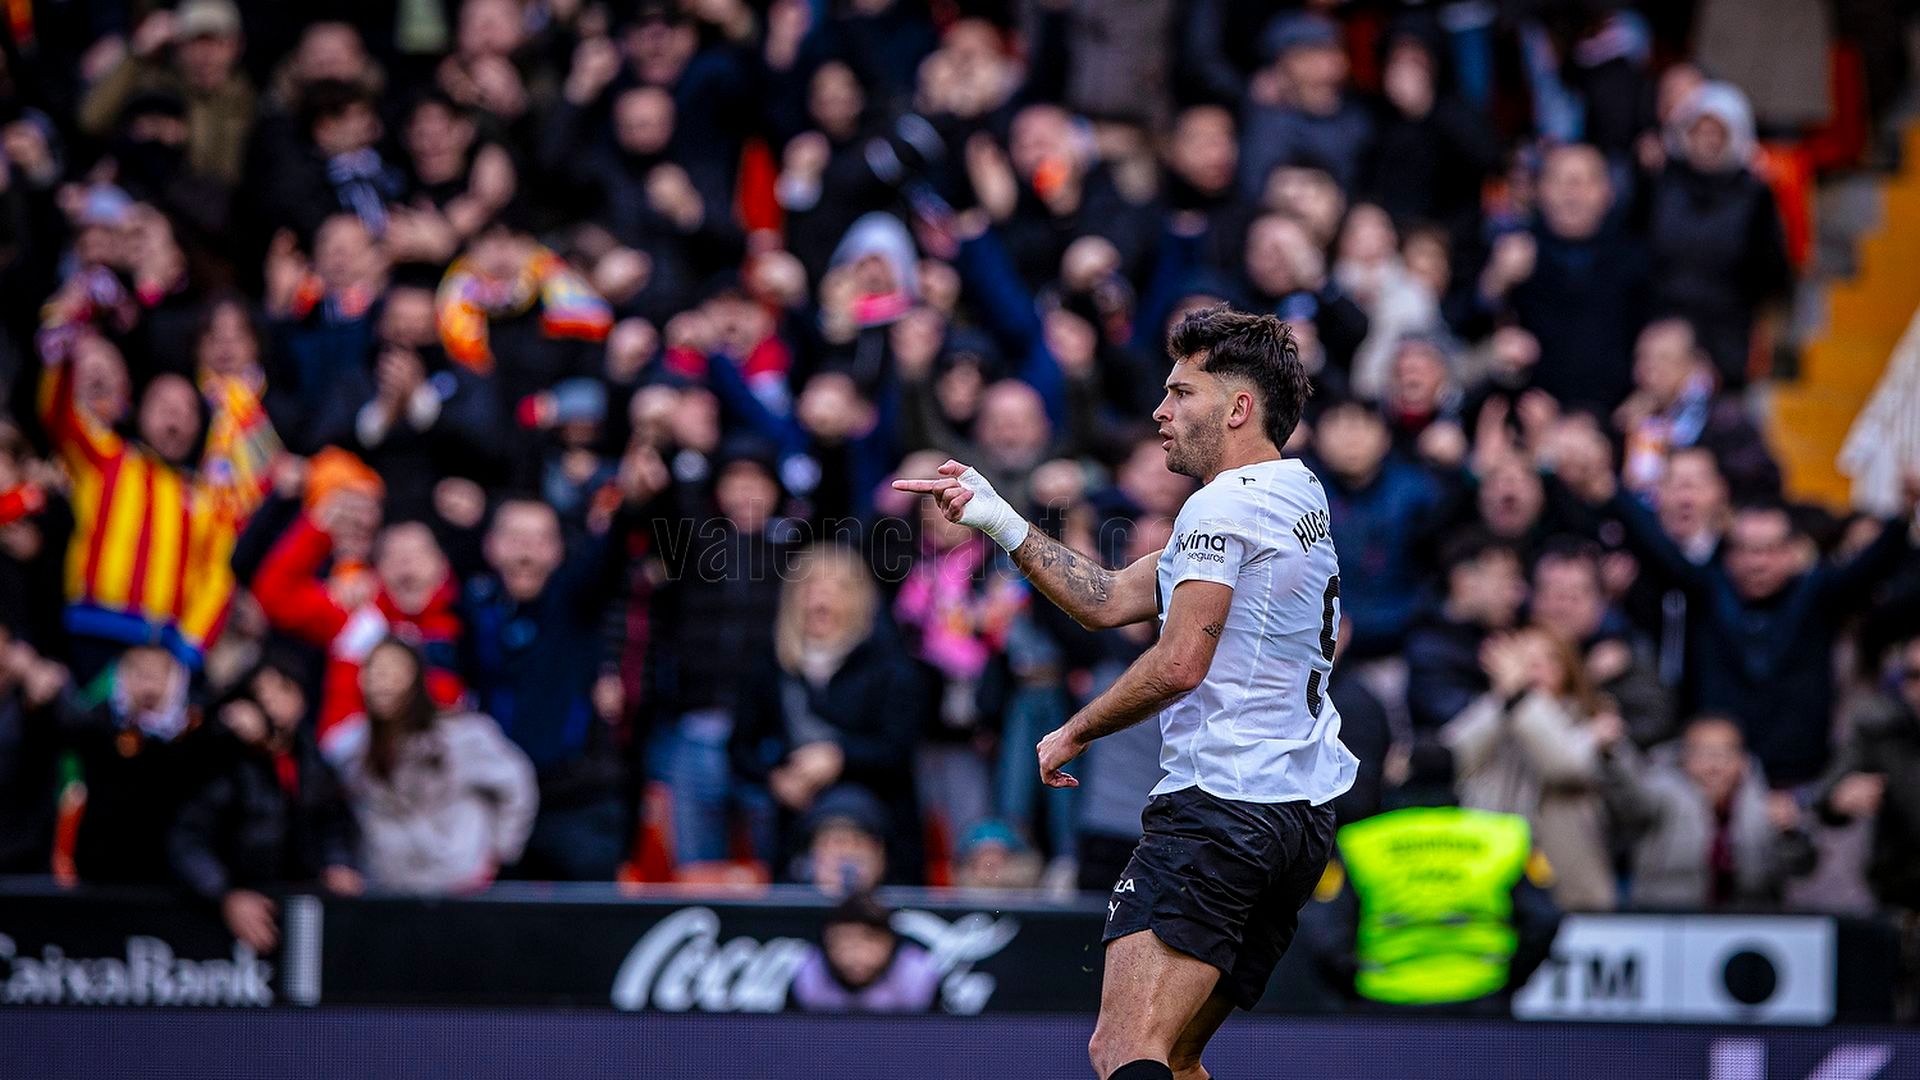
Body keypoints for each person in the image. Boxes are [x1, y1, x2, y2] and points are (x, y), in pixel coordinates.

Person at [896, 306, 1355, 1080]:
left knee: (1123, 1050)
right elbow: (1107, 599)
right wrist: (995, 515)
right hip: (1297, 817)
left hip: (1221, 808)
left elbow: (1178, 665)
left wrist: (1075, 731)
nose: (1159, 411)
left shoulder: (1221, 505)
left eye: (1181, 392)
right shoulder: (1296, 490)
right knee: (1175, 1058)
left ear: (1239, 408)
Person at [169, 654, 363, 951]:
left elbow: (334, 822)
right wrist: (225, 893)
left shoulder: (313, 760)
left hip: (299, 909)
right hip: (225, 918)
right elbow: (187, 838)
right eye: (261, 692)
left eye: (283, 690)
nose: (271, 702)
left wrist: (338, 863)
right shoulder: (222, 757)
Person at [330, 637, 537, 894]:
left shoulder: (461, 736)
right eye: (374, 670)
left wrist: (500, 851)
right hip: (388, 890)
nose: (383, 680)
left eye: (394, 669)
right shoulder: (350, 747)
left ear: (417, 677)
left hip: (460, 886)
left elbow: (517, 783)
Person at [1440, 627, 1621, 912]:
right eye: (1523, 659)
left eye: (1547, 659)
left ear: (1568, 670)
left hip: (1569, 890)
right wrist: (1503, 700)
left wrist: (1522, 700)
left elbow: (1567, 766)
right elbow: (1451, 756)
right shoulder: (1493, 711)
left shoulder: (1592, 717)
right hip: (1488, 885)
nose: (1533, 668)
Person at [1606, 715, 1815, 911]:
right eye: (1703, 754)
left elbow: (1802, 867)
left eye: (1725, 753)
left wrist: (1790, 834)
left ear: (1743, 760)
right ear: (1683, 758)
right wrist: (1614, 752)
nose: (1714, 766)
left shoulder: (1763, 803)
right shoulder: (1662, 794)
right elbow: (1631, 797)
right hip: (1668, 920)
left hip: (1747, 924)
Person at [790, 891, 942, 1013]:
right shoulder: (809, 976)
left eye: (869, 940)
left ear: (890, 942)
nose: (855, 954)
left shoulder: (916, 975)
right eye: (844, 941)